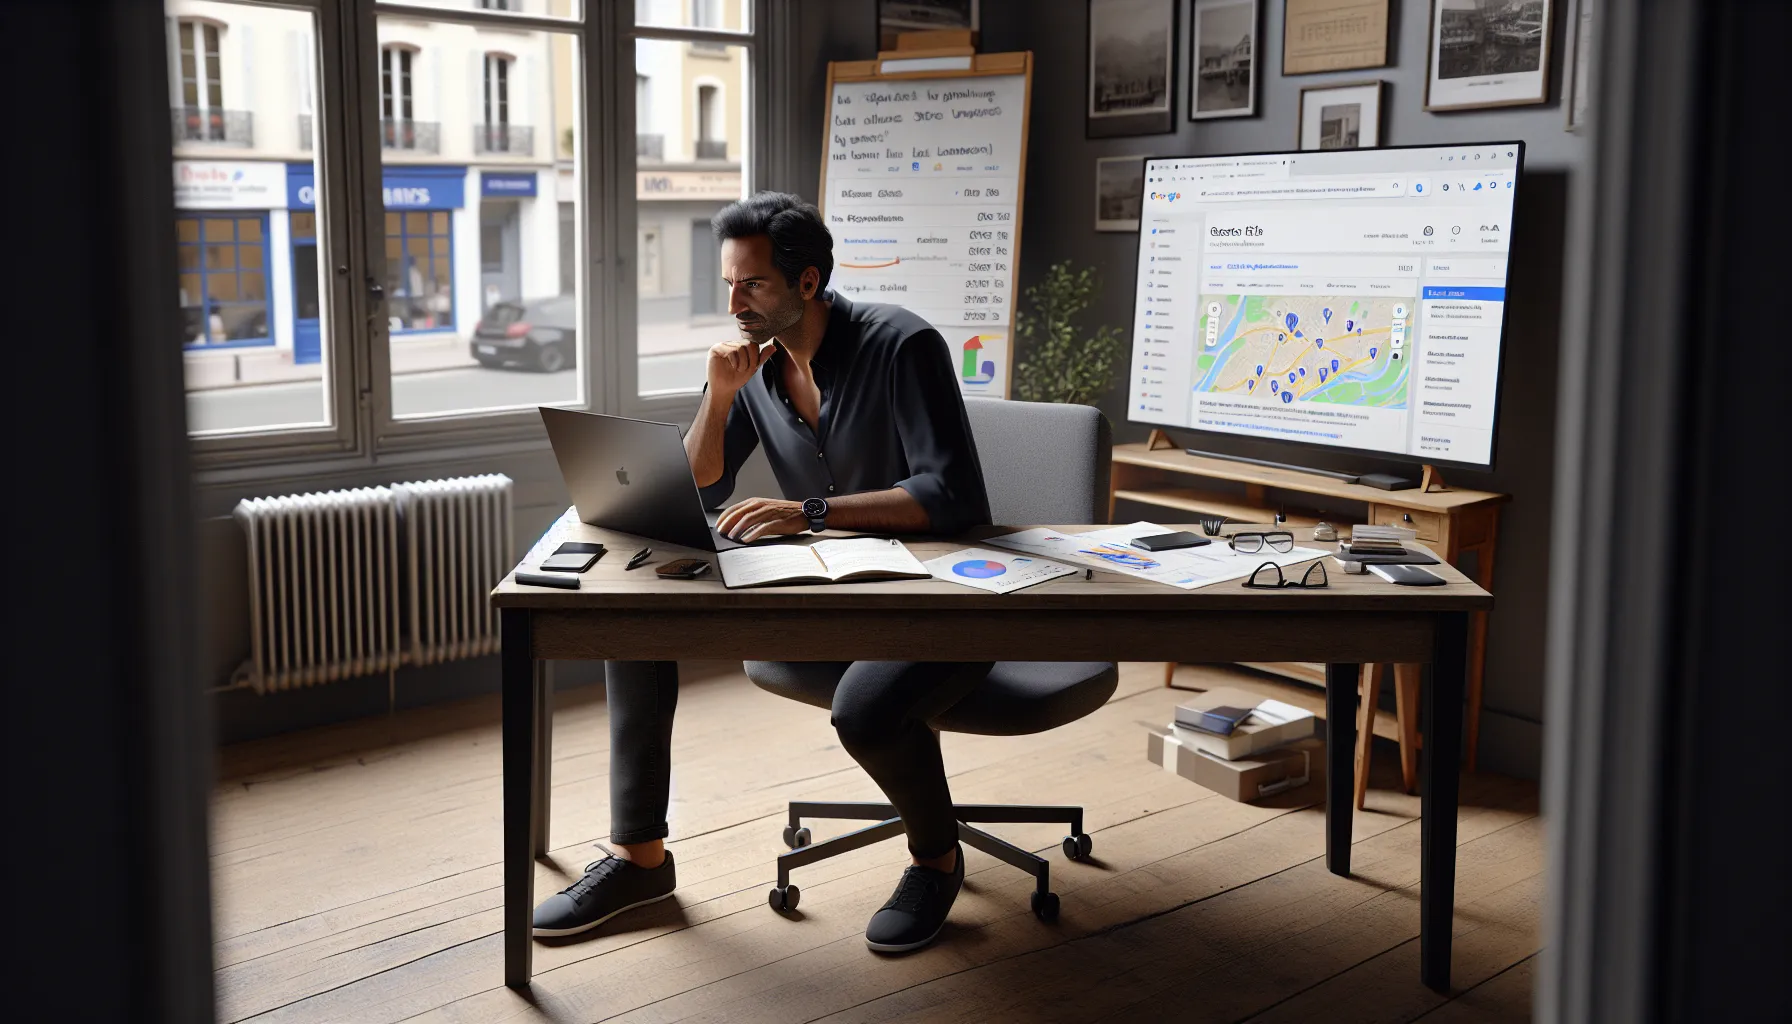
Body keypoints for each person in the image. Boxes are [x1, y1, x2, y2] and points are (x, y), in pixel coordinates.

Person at [531, 191, 993, 954]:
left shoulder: (902, 346)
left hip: (936, 600)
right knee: (635, 615)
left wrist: (808, 510)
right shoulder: (762, 366)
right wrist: (718, 397)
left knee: (867, 710)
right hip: (826, 592)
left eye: (753, 285)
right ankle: (638, 857)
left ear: (807, 284)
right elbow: (701, 486)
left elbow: (952, 496)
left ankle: (936, 858)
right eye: (728, 285)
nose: (735, 302)